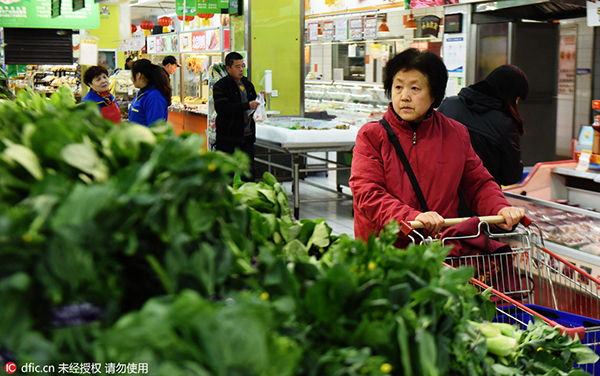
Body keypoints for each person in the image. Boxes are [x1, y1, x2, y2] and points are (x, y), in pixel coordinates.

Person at [349, 48, 525, 248]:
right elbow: (368, 193)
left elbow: (479, 184)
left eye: (415, 89)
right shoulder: (372, 136)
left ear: (434, 95)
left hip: (437, 253)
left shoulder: (455, 134)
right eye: (398, 87)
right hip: (385, 253)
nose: (404, 96)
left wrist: (500, 207)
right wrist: (412, 217)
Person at [437, 65, 529, 217]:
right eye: (517, 98)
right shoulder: (504, 123)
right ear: (511, 95)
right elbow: (510, 176)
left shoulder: (449, 105)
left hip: (438, 206)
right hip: (481, 210)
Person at [213, 52, 263, 182]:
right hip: (228, 138)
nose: (241, 69)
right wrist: (247, 105)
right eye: (237, 66)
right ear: (228, 68)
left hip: (247, 138)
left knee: (248, 175)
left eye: (243, 66)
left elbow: (252, 106)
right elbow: (222, 108)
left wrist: (260, 100)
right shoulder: (221, 86)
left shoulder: (247, 85)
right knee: (226, 176)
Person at [129, 59, 171, 127]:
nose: (131, 78)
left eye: (132, 75)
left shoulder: (155, 98)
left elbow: (155, 129)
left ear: (139, 75)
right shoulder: (141, 93)